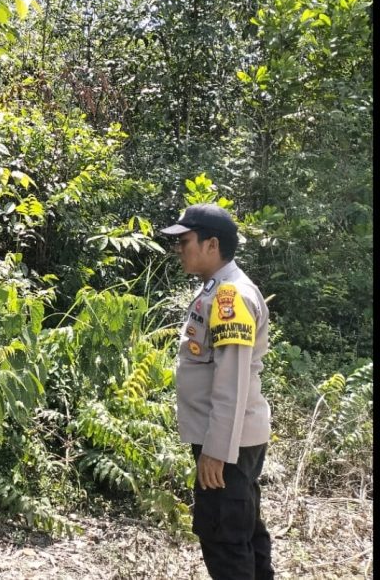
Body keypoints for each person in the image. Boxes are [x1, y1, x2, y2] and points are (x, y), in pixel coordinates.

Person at [161, 203, 274, 580]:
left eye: (186, 241)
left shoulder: (230, 298)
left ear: (212, 245)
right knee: (243, 530)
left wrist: (216, 450)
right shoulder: (219, 289)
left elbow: (232, 378)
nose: (180, 249)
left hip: (228, 443)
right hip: (232, 438)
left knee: (225, 540)